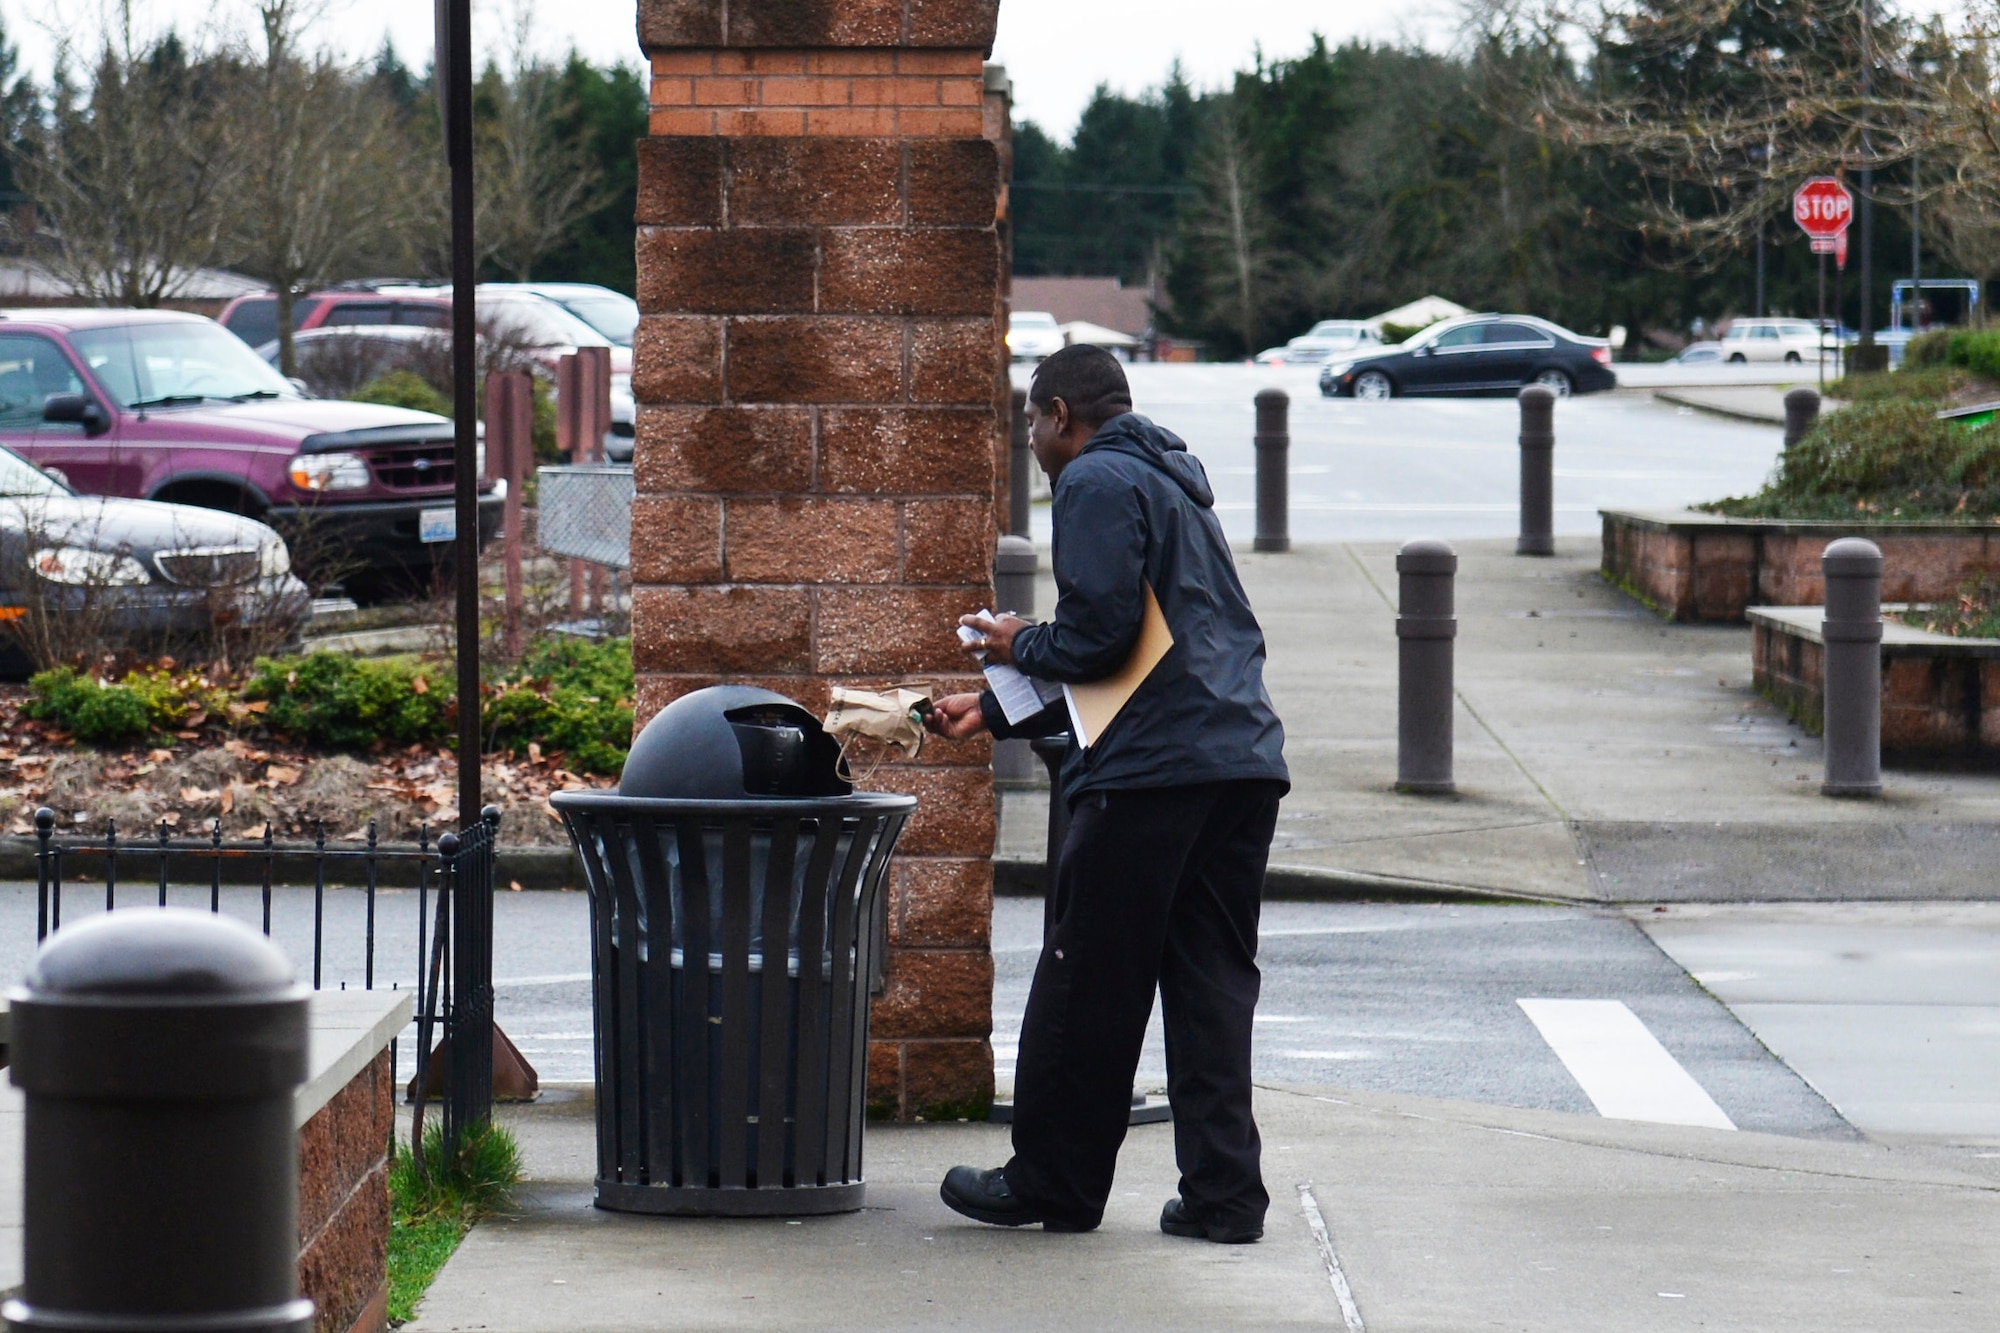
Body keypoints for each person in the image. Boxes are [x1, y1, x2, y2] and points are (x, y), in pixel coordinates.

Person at [929, 345, 1289, 1243]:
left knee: (1086, 977)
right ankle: (1224, 1196)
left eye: (1033, 423)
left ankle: (1052, 1180)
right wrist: (997, 708)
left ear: (1059, 414)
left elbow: (1098, 637)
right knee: (1209, 985)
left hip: (1150, 775)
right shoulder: (1177, 486)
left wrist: (1016, 641)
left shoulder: (1094, 482)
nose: (1035, 443)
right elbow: (1155, 644)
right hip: (1238, 763)